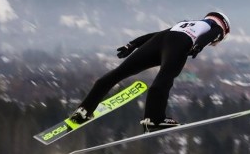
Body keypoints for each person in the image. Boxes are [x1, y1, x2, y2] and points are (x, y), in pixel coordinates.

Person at [70, 11, 231, 131]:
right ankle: (153, 118)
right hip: (179, 44)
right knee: (164, 79)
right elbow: (212, 34)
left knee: (117, 73)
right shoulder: (216, 27)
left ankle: (84, 110)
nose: (216, 43)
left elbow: (157, 34)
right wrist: (199, 46)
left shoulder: (186, 23)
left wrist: (132, 44)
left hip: (159, 41)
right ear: (223, 28)